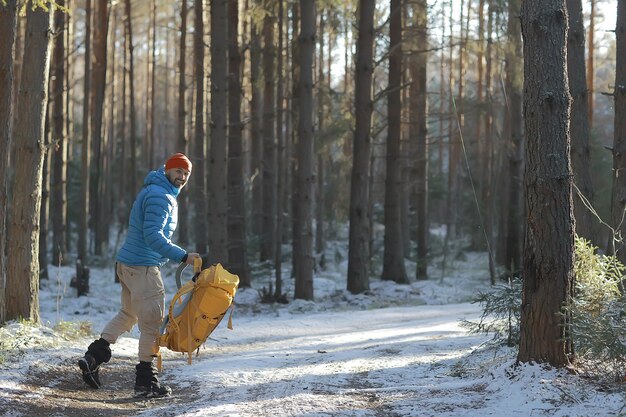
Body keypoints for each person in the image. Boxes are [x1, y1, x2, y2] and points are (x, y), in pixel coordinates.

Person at [78, 152, 200, 398]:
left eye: (186, 174)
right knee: (152, 323)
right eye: (178, 171)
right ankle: (146, 382)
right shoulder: (160, 196)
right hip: (143, 267)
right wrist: (182, 255)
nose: (182, 177)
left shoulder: (154, 190)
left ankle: (93, 356)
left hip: (128, 264)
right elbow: (152, 236)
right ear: (168, 170)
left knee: (129, 313)